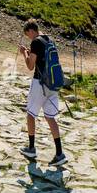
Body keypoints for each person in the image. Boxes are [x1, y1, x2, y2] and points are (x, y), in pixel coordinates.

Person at [19, 20, 66, 166]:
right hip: (53, 84)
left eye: (28, 35)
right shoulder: (48, 40)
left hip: (40, 83)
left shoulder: (36, 42)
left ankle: (31, 148)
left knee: (31, 114)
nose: (29, 38)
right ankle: (59, 153)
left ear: (31, 31)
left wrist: (25, 53)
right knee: (50, 117)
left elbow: (30, 65)